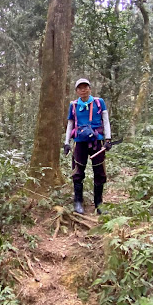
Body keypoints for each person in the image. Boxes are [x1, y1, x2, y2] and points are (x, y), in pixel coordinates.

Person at [62, 78, 112, 215]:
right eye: (80, 88)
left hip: (97, 141)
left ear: (90, 88)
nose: (83, 90)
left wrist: (108, 139)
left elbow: (106, 121)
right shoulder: (73, 105)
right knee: (78, 171)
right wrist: (66, 143)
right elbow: (70, 124)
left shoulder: (99, 102)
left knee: (99, 171)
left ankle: (99, 203)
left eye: (85, 87)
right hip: (79, 142)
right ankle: (78, 202)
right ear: (77, 91)